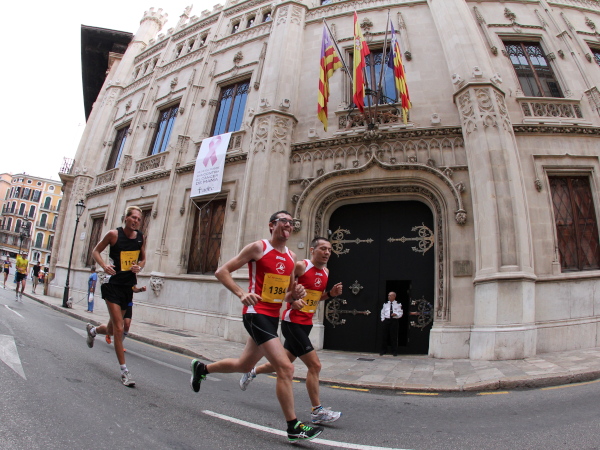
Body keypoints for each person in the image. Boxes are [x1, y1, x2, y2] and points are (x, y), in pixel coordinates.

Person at [189, 210, 324, 443]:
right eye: (283, 221)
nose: (288, 225)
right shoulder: (258, 248)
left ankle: (202, 369)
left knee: (245, 365)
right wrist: (241, 293)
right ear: (272, 225)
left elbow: (287, 294)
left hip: (272, 317)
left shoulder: (292, 256)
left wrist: (296, 295)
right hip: (255, 313)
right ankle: (293, 427)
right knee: (285, 368)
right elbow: (222, 271)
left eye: (291, 223)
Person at [239, 236, 343, 425]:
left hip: (306, 323)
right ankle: (317, 411)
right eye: (323, 249)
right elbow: (284, 290)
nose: (327, 252)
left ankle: (252, 372)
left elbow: (315, 297)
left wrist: (330, 294)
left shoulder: (326, 272)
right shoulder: (301, 266)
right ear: (312, 250)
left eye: (329, 249)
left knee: (282, 363)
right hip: (292, 323)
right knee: (315, 366)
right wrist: (293, 300)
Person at [86, 206, 145, 387]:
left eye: (139, 219)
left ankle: (93, 331)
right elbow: (95, 251)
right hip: (112, 285)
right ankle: (124, 372)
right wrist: (104, 265)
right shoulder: (113, 234)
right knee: (119, 328)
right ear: (126, 218)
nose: (136, 221)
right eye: (133, 217)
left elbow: (143, 259)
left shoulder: (140, 237)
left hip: (127, 287)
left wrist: (139, 267)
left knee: (112, 329)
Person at [106, 285, 147, 350]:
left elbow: (134, 289)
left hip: (128, 303)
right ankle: (108, 331)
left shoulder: (132, 280)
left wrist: (141, 289)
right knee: (118, 323)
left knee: (127, 325)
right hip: (119, 302)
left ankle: (119, 343)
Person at [380, 292, 403, 356]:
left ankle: (394, 351)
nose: (389, 297)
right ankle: (383, 350)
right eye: (388, 295)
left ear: (394, 296)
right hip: (386, 320)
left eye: (390, 295)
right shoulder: (385, 304)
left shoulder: (398, 304)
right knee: (384, 336)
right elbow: (382, 312)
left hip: (394, 321)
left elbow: (401, 313)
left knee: (393, 336)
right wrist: (383, 319)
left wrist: (396, 314)